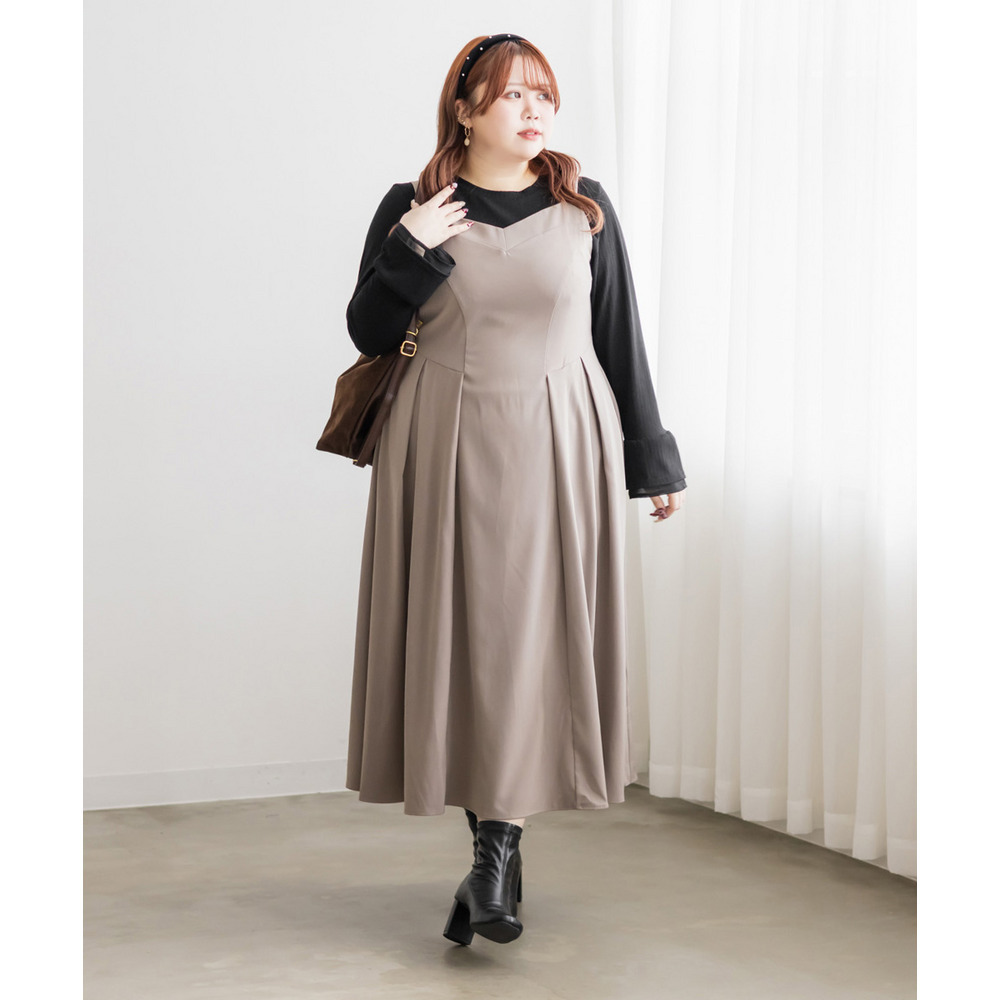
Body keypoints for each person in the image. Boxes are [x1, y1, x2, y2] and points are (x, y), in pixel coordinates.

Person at [341, 33, 687, 946]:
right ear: (464, 110)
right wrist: (412, 247)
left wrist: (652, 458)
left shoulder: (583, 206)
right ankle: (495, 856)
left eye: (544, 96)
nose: (534, 112)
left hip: (558, 443)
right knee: (464, 641)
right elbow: (368, 331)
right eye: (511, 96)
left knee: (524, 642)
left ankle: (493, 854)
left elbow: (619, 334)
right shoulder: (412, 206)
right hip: (439, 441)